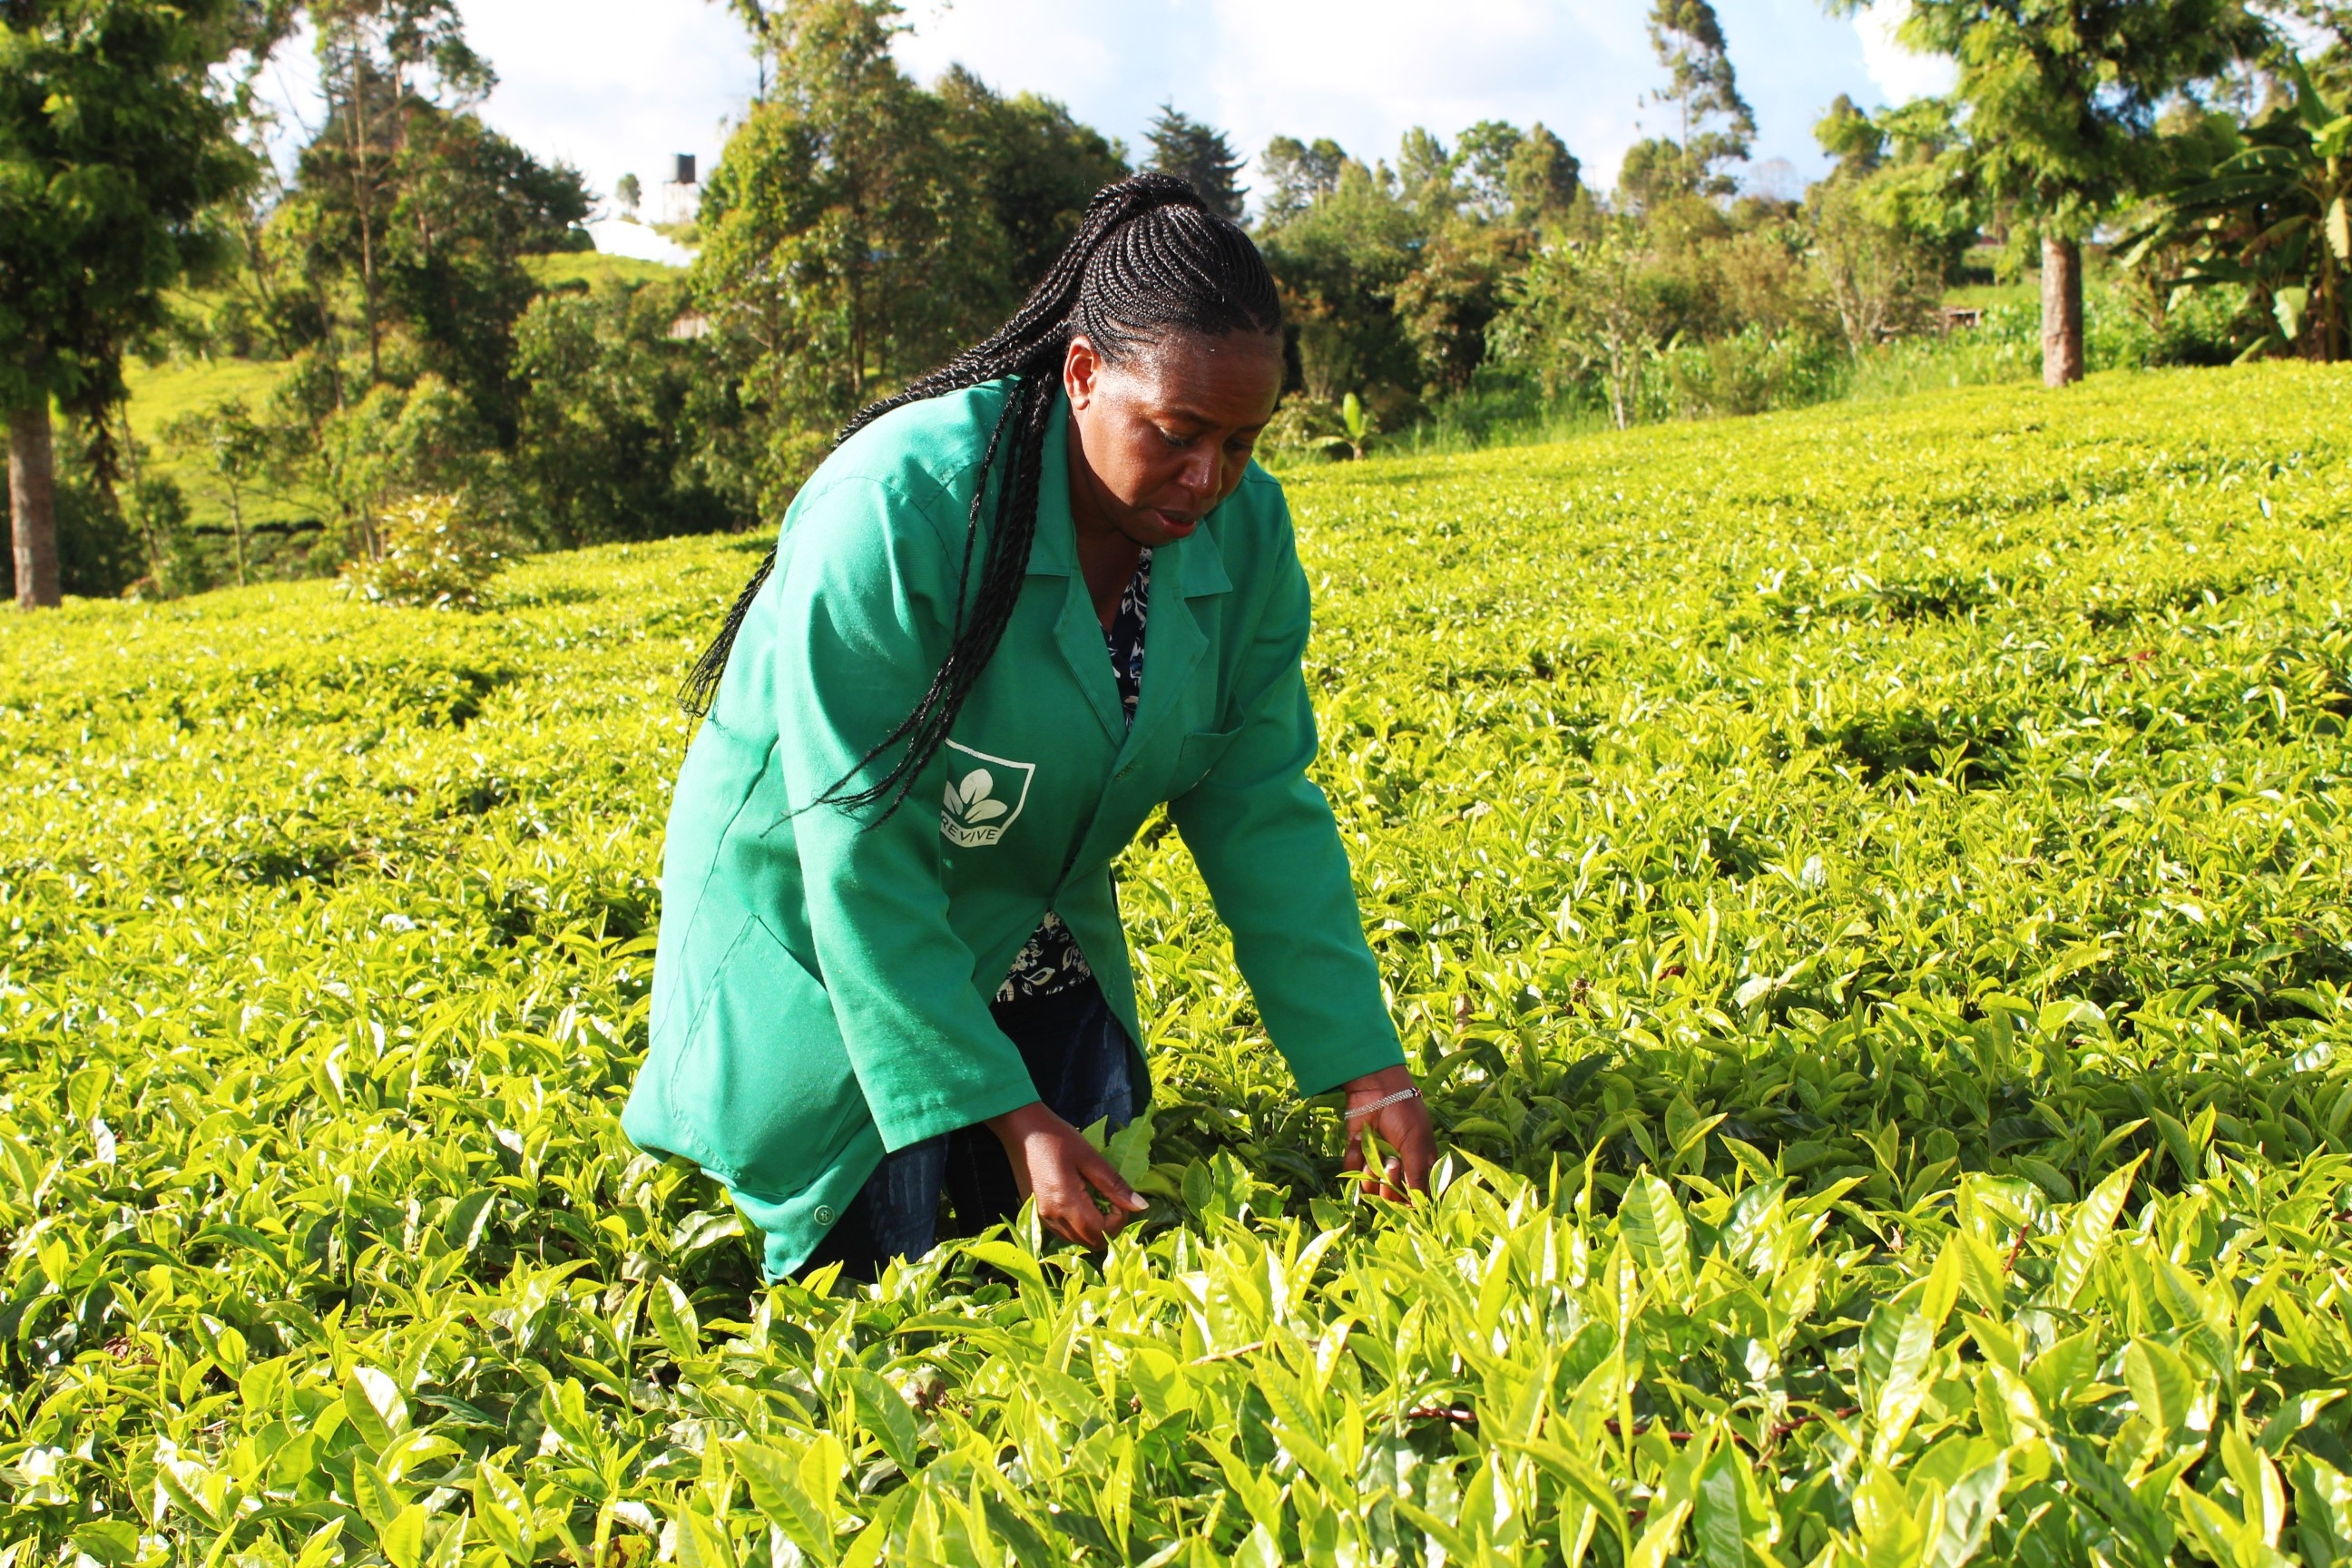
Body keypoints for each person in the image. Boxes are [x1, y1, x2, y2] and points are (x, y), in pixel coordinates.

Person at [622, 173, 1436, 1281]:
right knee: (890, 1261)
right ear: (1084, 372)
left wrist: (1366, 1068)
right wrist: (1006, 1108)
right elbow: (855, 843)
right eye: (1178, 431)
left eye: (1243, 441)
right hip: (818, 923)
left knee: (1095, 1244)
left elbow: (1262, 808)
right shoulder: (899, 508)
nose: (1209, 479)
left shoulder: (1247, 535)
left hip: (1021, 914)